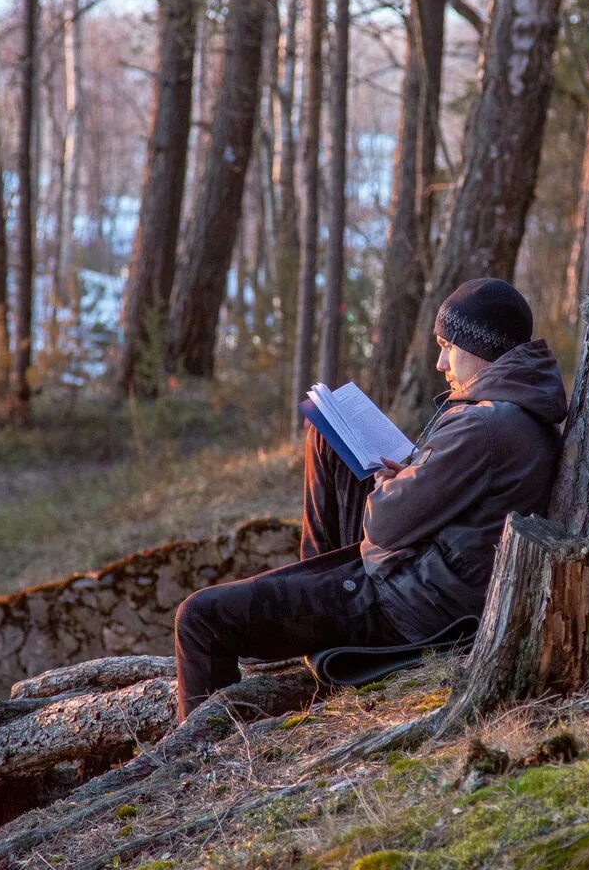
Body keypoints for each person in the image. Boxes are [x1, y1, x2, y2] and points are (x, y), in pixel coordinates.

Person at [171, 278, 568, 716]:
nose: (440, 363)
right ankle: (312, 595)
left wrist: (391, 486)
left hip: (407, 609)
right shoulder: (517, 412)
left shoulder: (484, 425)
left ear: (478, 348)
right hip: (424, 582)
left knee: (200, 617)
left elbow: (383, 524)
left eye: (447, 346)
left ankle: (195, 758)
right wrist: (416, 474)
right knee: (328, 435)